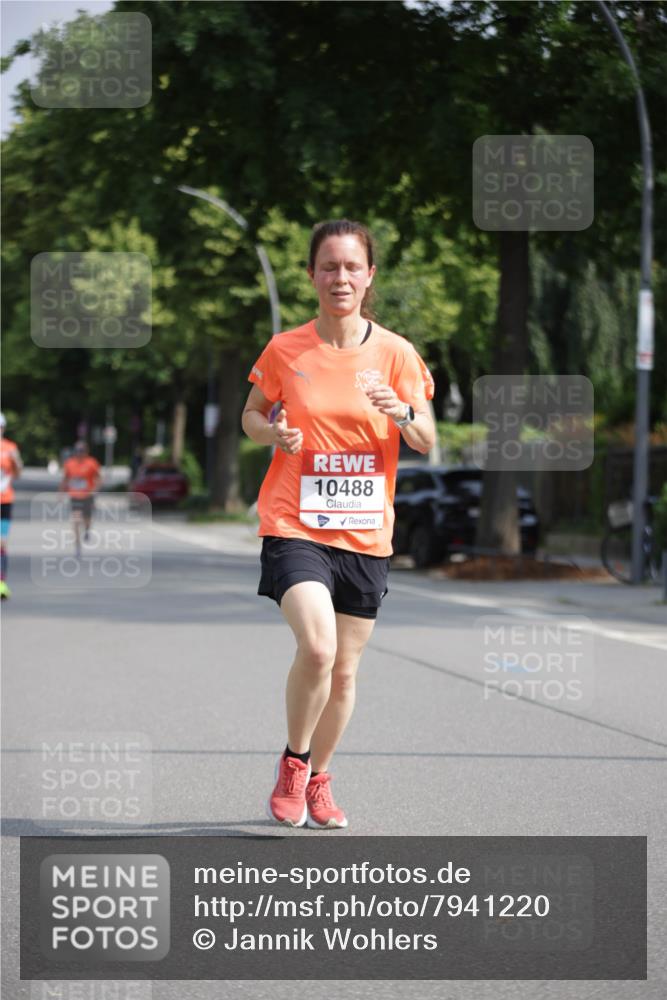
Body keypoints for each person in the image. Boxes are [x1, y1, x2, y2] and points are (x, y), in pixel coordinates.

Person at [242, 219, 435, 829]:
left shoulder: (396, 354)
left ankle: (320, 777)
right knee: (319, 649)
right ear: (312, 276)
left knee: (346, 670)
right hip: (296, 521)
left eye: (352, 266)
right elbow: (250, 412)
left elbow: (427, 439)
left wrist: (401, 411)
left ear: (369, 275)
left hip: (365, 532)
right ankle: (294, 764)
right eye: (329, 266)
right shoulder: (285, 349)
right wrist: (271, 430)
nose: (341, 277)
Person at [60, 441, 101, 556]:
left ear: (86, 451)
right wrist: (61, 492)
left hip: (88, 495)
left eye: (82, 451)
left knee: (87, 518)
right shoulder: (69, 463)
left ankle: (87, 530)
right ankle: (78, 546)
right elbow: (65, 478)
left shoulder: (92, 463)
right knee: (76, 520)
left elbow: (98, 478)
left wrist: (95, 490)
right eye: (77, 450)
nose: (79, 453)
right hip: (75, 496)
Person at [0, 412, 23, 600]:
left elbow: (17, 474)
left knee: (2, 543)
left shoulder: (10, 447)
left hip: (5, 500)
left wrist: (17, 462)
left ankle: (1, 583)